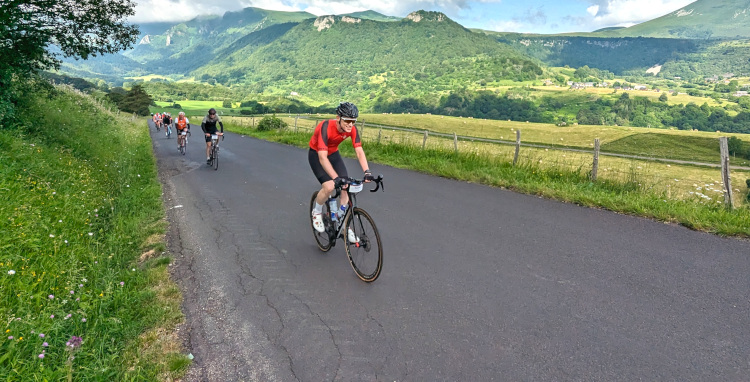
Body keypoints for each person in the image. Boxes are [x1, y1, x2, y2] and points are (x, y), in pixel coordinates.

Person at [309, 102, 373, 239]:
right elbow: (322, 157)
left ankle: (343, 225)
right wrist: (335, 178)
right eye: (347, 120)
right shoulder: (325, 127)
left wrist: (367, 172)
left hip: (333, 154)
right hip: (317, 154)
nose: (350, 124)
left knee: (346, 186)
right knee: (329, 186)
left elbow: (359, 151)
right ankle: (317, 211)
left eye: (353, 121)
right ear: (338, 118)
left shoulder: (352, 129)